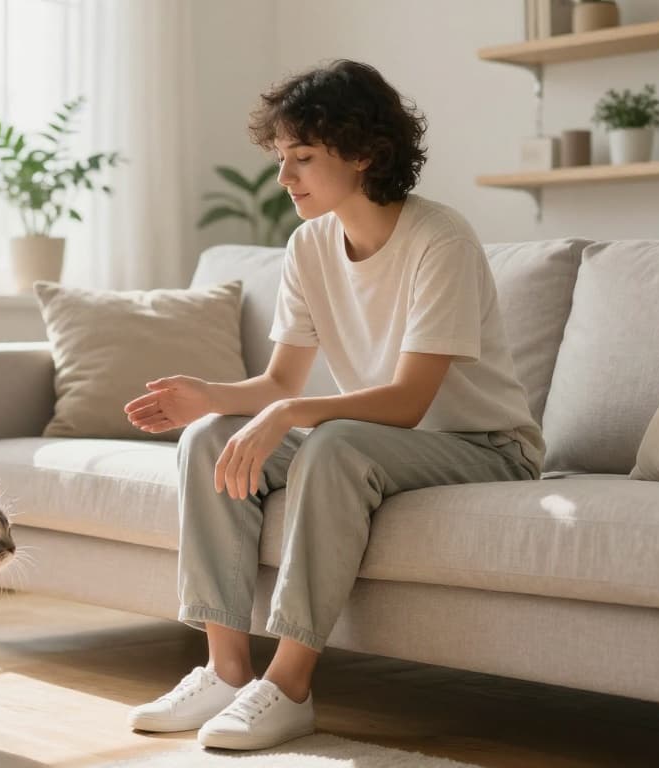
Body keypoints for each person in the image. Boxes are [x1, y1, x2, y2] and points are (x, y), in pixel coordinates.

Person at [121, 59, 544, 751]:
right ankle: (226, 670)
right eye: (282, 158)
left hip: (483, 446)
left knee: (335, 444)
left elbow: (408, 403)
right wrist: (210, 398)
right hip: (382, 439)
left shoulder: (440, 240)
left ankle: (288, 687)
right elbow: (281, 384)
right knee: (207, 439)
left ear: (367, 152)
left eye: (304, 158)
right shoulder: (307, 245)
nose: (284, 177)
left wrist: (290, 415)